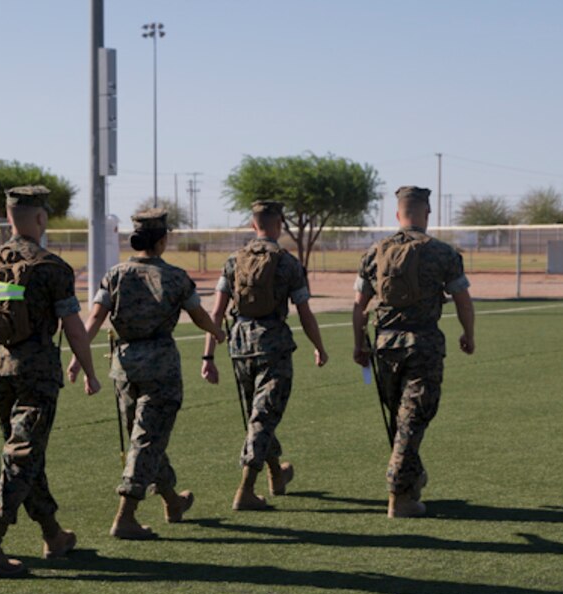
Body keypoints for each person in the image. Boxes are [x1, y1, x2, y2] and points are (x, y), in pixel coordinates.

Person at [0, 185, 101, 577]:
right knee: (22, 455)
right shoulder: (52, 267)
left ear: (9, 218)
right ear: (40, 218)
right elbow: (73, 326)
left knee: (24, 451)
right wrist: (88, 371)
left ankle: (53, 534)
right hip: (36, 372)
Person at [68, 208, 224, 539]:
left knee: (143, 437)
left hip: (124, 367)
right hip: (161, 367)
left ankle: (172, 501)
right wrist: (217, 332)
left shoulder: (116, 274)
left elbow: (94, 318)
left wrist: (79, 357)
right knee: (147, 438)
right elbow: (198, 315)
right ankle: (126, 515)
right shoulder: (177, 277)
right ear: (163, 240)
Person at [351, 186, 475, 518]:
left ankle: (412, 480)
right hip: (423, 346)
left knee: (401, 420)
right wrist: (468, 334)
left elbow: (359, 306)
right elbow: (462, 299)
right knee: (412, 421)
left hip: (385, 346)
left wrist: (358, 344)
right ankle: (399, 496)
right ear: (427, 214)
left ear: (397, 215)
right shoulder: (443, 254)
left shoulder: (375, 252)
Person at [202, 200, 328, 510]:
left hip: (240, 344)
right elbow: (305, 312)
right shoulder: (287, 263)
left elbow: (216, 312)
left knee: (258, 415)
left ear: (252, 224)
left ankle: (276, 474)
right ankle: (246, 489)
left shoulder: (233, 260)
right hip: (273, 344)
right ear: (279, 225)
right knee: (263, 416)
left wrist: (208, 356)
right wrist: (319, 346)